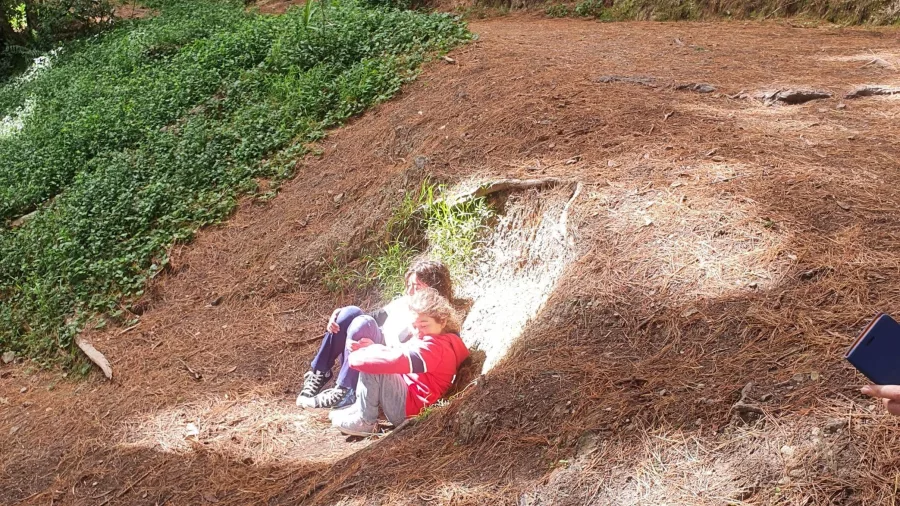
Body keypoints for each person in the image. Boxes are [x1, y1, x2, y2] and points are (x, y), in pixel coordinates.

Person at [296, 259, 453, 409]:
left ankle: (346, 390)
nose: (410, 292)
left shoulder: (432, 320)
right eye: (409, 285)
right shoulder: (404, 302)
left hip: (385, 361)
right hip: (369, 345)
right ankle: (319, 372)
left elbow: (409, 356)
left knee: (362, 323)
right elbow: (370, 317)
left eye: (417, 287)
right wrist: (339, 315)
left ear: (433, 290)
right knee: (351, 313)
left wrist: (376, 349)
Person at [328, 287, 469, 436]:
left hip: (410, 409)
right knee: (374, 357)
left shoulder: (436, 348)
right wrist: (374, 347)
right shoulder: (436, 339)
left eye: (424, 324)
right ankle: (360, 408)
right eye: (414, 326)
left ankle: (366, 421)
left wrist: (357, 356)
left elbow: (397, 360)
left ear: (442, 321)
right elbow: (400, 351)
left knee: (374, 363)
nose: (418, 331)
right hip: (411, 399)